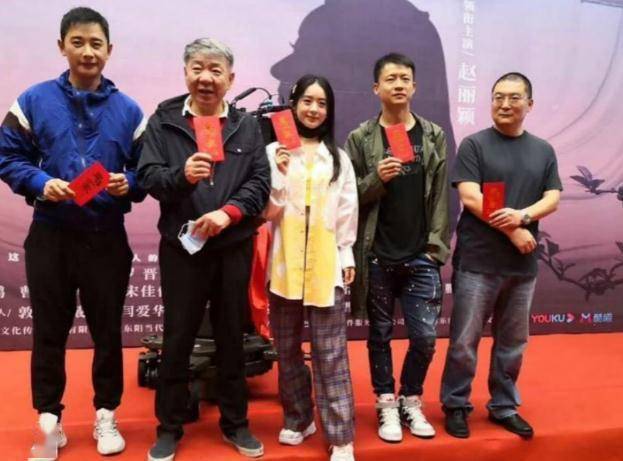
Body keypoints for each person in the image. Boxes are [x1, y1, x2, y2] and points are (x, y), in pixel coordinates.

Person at [0, 7, 145, 458]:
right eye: (78, 42)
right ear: (61, 46)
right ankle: (49, 423)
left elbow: (148, 170)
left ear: (109, 50)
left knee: (107, 332)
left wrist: (129, 182)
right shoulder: (32, 100)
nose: (87, 52)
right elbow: (7, 157)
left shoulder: (129, 110)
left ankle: (106, 414)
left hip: (107, 238)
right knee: (49, 330)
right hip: (51, 236)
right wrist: (41, 182)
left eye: (96, 43)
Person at [137, 38, 270, 461]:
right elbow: (148, 177)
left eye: (215, 70)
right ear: (185, 73)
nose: (206, 78)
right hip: (183, 248)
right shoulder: (164, 121)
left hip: (232, 246)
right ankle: (169, 427)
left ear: (230, 78)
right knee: (178, 337)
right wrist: (182, 176)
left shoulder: (247, 126)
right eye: (197, 68)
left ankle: (236, 423)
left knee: (232, 334)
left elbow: (260, 182)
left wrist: (228, 213)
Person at [440, 72, 562, 439]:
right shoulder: (476, 145)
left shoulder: (542, 150)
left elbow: (552, 198)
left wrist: (524, 217)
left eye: (513, 97)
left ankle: (504, 406)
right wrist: (513, 230)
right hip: (478, 262)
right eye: (498, 97)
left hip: (522, 266)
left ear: (529, 104)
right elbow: (472, 197)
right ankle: (456, 404)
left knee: (512, 343)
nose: (504, 104)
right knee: (464, 341)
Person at [345, 53, 450, 443]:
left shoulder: (433, 135)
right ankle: (386, 402)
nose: (399, 85)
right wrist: (377, 178)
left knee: (424, 338)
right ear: (377, 88)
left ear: (415, 86)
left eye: (405, 78)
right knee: (380, 336)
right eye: (390, 79)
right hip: (376, 255)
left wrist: (435, 248)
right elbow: (348, 197)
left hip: (420, 255)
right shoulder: (360, 138)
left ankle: (411, 397)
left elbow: (440, 197)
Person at [265, 75, 358, 461]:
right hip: (285, 264)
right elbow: (267, 212)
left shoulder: (338, 158)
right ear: (293, 105)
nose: (314, 109)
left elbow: (347, 210)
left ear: (329, 110)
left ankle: (341, 436)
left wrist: (346, 255)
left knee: (329, 351)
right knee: (286, 348)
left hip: (325, 266)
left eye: (321, 103)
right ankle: (299, 418)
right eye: (307, 101)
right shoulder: (273, 151)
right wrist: (278, 174)